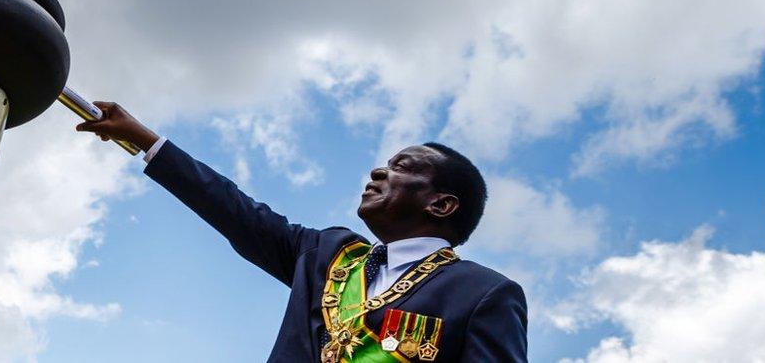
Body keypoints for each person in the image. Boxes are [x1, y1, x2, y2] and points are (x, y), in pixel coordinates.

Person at [77, 102, 527, 362]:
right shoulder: (327, 253)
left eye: (402, 167)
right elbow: (237, 212)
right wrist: (145, 139)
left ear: (441, 204)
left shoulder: (484, 293)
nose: (377, 171)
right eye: (385, 163)